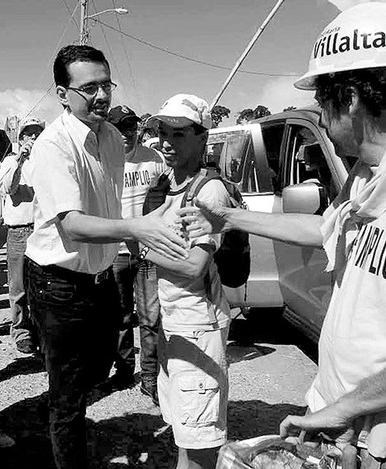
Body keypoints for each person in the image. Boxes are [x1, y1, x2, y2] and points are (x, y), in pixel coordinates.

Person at [180, 4, 386, 468]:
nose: (321, 110)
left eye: (324, 99)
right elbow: (325, 230)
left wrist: (345, 408)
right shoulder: (368, 175)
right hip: (345, 425)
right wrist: (230, 219)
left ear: (353, 98)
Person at [24, 44, 189, 469]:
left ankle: (69, 416)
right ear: (62, 94)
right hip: (57, 282)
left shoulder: (112, 137)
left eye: (105, 85)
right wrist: (136, 228)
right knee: (68, 393)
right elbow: (73, 224)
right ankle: (67, 441)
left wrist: (164, 211)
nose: (101, 96)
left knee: (97, 367)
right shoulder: (54, 145)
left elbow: (116, 202)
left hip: (99, 278)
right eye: (89, 88)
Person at [143, 94, 232, 469]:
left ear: (202, 138)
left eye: (178, 134)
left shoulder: (207, 191)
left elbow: (196, 266)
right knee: (185, 428)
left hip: (197, 325)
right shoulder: (169, 184)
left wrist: (143, 249)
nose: (166, 141)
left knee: (199, 444)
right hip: (172, 322)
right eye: (163, 132)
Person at [106, 105, 167, 403]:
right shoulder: (103, 161)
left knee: (150, 317)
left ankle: (151, 379)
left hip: (148, 253)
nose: (127, 134)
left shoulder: (155, 160)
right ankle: (123, 371)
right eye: (120, 128)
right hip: (115, 251)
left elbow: (168, 197)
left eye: (131, 128)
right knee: (119, 317)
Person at [0, 116, 45, 354]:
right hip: (18, 232)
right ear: (21, 138)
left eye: (38, 133)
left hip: (41, 230)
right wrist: (20, 159)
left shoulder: (46, 163)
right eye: (29, 134)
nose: (34, 138)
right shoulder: (9, 161)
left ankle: (39, 329)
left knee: (40, 284)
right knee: (18, 287)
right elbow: (8, 188)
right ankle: (21, 331)